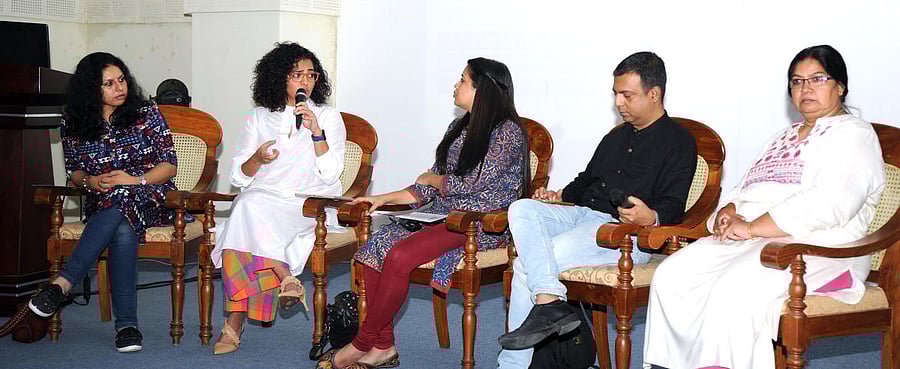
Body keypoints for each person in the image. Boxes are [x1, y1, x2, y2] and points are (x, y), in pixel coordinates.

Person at [642, 45, 885, 369]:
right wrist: (728, 210)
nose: (806, 88)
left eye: (817, 78)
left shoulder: (855, 134)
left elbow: (830, 203)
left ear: (840, 86)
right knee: (673, 275)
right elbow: (748, 187)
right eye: (797, 82)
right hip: (758, 236)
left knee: (734, 286)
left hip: (823, 245)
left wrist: (753, 227)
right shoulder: (783, 136)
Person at [316, 57, 530, 369]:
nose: (455, 85)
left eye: (462, 80)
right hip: (443, 215)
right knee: (372, 249)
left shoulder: (507, 132)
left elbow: (474, 183)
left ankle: (360, 344)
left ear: (482, 89)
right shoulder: (459, 127)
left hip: (479, 224)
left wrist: (435, 180)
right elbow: (426, 186)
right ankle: (383, 347)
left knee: (400, 256)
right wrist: (380, 198)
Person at [497, 51, 698, 368]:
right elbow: (587, 180)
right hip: (582, 216)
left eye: (626, 95)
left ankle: (512, 364)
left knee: (527, 265)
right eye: (616, 94)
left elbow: (674, 204)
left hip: (623, 235)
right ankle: (550, 301)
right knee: (522, 209)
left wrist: (652, 217)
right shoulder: (616, 137)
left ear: (654, 93)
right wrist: (557, 194)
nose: (618, 103)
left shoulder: (680, 142)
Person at [26, 52, 184, 353]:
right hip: (104, 202)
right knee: (121, 225)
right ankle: (126, 326)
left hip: (151, 196)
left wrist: (133, 180)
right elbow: (74, 171)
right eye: (109, 84)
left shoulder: (146, 112)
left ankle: (63, 283)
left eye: (121, 79)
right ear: (91, 90)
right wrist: (90, 182)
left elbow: (169, 166)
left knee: (122, 196)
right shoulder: (73, 120)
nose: (119, 87)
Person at [209, 42, 346, 355]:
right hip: (265, 197)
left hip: (308, 202)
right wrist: (257, 159)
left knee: (242, 224)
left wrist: (316, 133)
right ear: (279, 78)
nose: (305, 82)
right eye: (297, 74)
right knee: (246, 204)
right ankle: (287, 278)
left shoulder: (328, 116)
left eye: (311, 75)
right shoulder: (259, 117)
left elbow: (331, 175)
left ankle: (234, 321)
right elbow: (238, 177)